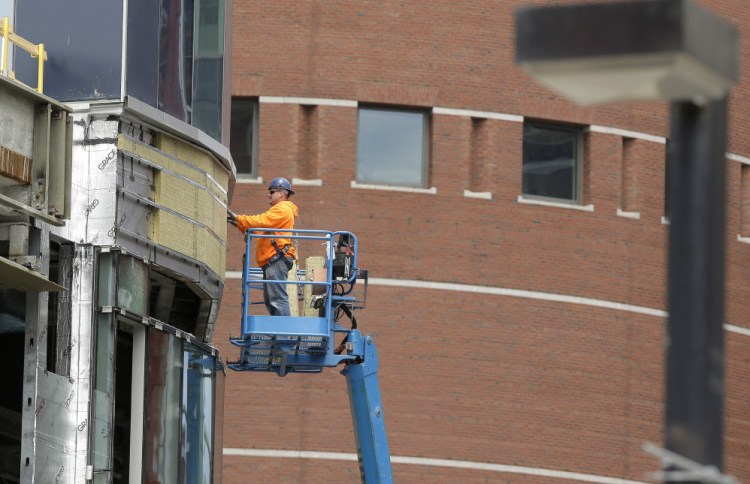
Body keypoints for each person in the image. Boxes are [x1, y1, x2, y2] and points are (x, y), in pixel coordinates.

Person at [227, 177, 299, 316]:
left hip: (276, 259)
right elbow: (260, 229)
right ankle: (280, 331)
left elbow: (261, 221)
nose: (269, 194)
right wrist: (239, 224)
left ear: (281, 193)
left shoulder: (282, 209)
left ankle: (284, 333)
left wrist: (239, 219)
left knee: (277, 300)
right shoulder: (280, 211)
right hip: (273, 260)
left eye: (272, 192)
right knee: (272, 300)